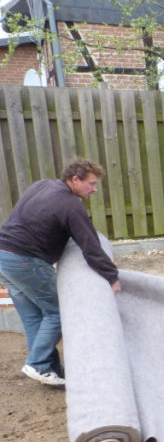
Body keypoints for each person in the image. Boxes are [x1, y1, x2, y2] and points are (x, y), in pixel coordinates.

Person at [0, 157, 121, 387]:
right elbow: (90, 247)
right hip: (26, 261)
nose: (94, 190)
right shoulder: (71, 205)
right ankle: (36, 364)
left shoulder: (42, 185)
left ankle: (47, 369)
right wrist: (112, 277)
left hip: (3, 257)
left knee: (36, 316)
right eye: (91, 183)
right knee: (58, 312)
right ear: (75, 179)